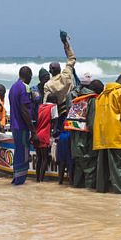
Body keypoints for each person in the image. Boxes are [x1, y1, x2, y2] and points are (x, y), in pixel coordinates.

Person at [44, 31, 77, 184]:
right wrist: (65, 43)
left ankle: (59, 178)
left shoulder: (48, 85)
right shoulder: (67, 75)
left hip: (60, 116)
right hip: (72, 113)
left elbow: (47, 106)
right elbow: (72, 58)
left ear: (51, 71)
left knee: (61, 145)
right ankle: (72, 175)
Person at [66, 79, 103, 188]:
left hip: (75, 144)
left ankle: (77, 196)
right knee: (90, 170)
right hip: (85, 144)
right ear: (96, 91)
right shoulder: (92, 100)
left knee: (79, 170)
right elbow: (92, 124)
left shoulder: (78, 98)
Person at [9, 66, 38, 185]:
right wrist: (33, 130)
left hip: (14, 126)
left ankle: (16, 178)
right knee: (23, 153)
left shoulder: (12, 87)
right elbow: (24, 110)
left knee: (18, 151)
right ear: (28, 75)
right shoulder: (24, 87)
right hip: (22, 126)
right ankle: (19, 183)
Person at [35, 93, 59, 182]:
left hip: (37, 135)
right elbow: (55, 121)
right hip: (45, 134)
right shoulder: (53, 107)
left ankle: (37, 179)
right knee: (45, 158)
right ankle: (41, 179)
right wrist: (53, 133)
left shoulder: (40, 106)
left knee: (39, 158)